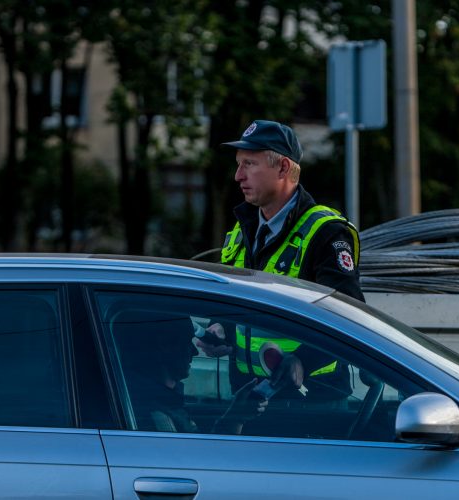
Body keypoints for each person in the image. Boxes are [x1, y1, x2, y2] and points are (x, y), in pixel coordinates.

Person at [198, 119, 365, 403]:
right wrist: (220, 328)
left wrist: (303, 361)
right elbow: (241, 305)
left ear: (283, 168)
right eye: (239, 164)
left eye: (249, 164)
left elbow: (349, 317)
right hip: (249, 398)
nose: (238, 176)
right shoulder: (243, 230)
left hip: (312, 403)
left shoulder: (325, 231)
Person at [115, 310, 266, 434]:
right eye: (187, 342)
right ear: (164, 347)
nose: (194, 351)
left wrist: (236, 415)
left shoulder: (158, 400)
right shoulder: (159, 417)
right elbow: (207, 461)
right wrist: (236, 417)